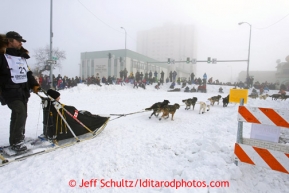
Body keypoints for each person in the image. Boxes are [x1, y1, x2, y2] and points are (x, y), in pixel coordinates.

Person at [0, 31, 40, 152]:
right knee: (20, 112)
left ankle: (17, 139)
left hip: (22, 92)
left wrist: (34, 85)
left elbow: (27, 73)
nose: (20, 43)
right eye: (18, 41)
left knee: (19, 115)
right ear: (10, 41)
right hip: (9, 91)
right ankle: (17, 142)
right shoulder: (2, 56)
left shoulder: (21, 57)